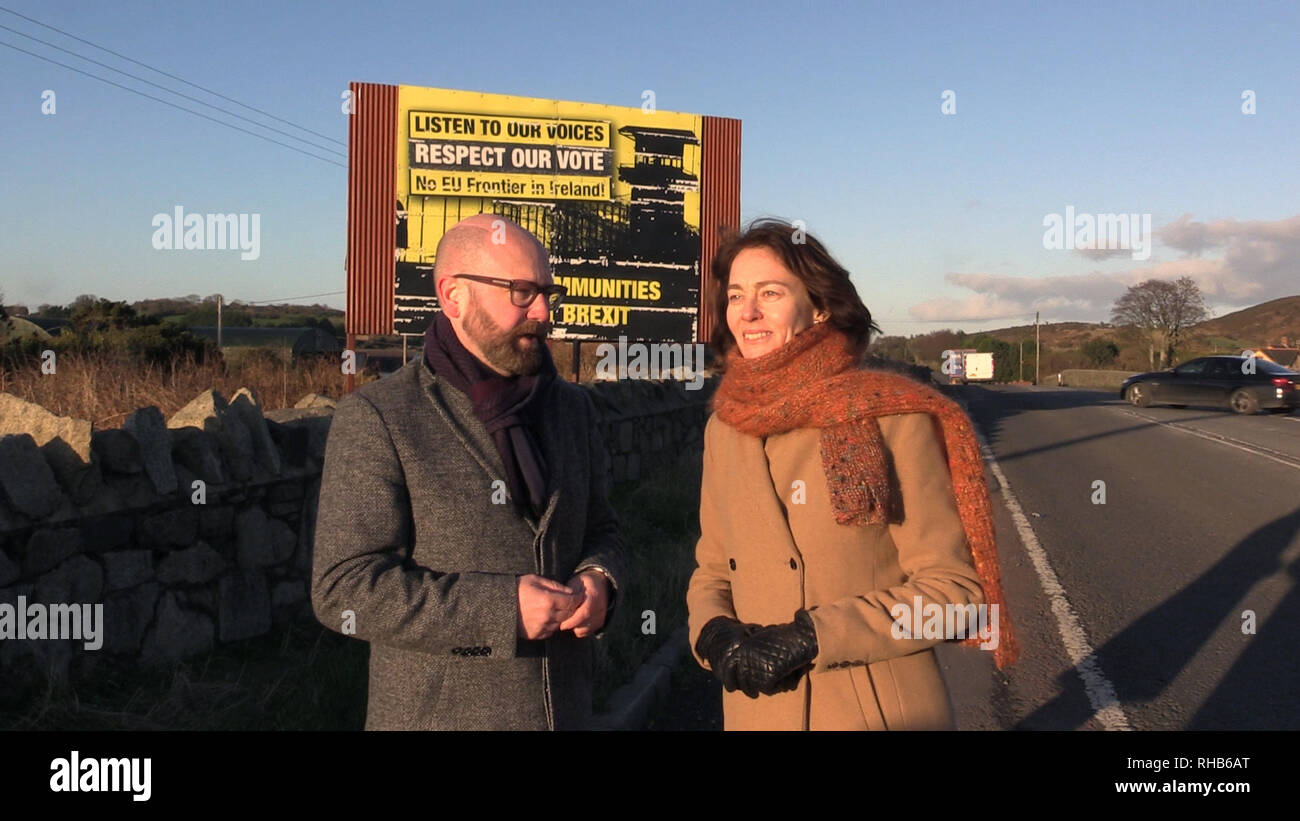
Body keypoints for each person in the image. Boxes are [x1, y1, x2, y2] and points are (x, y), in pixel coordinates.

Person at [686, 219, 1018, 730]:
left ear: (818, 307)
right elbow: (712, 568)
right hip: (757, 715)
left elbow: (956, 596)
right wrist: (710, 632)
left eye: (769, 292)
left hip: (878, 715)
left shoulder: (892, 418)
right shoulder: (723, 429)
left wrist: (817, 636)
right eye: (735, 295)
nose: (747, 312)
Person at [312, 214, 626, 730]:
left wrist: (601, 580)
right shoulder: (380, 416)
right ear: (454, 296)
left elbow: (603, 527)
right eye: (521, 292)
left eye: (548, 292)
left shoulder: (572, 408)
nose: (544, 312)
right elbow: (344, 586)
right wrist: (502, 610)